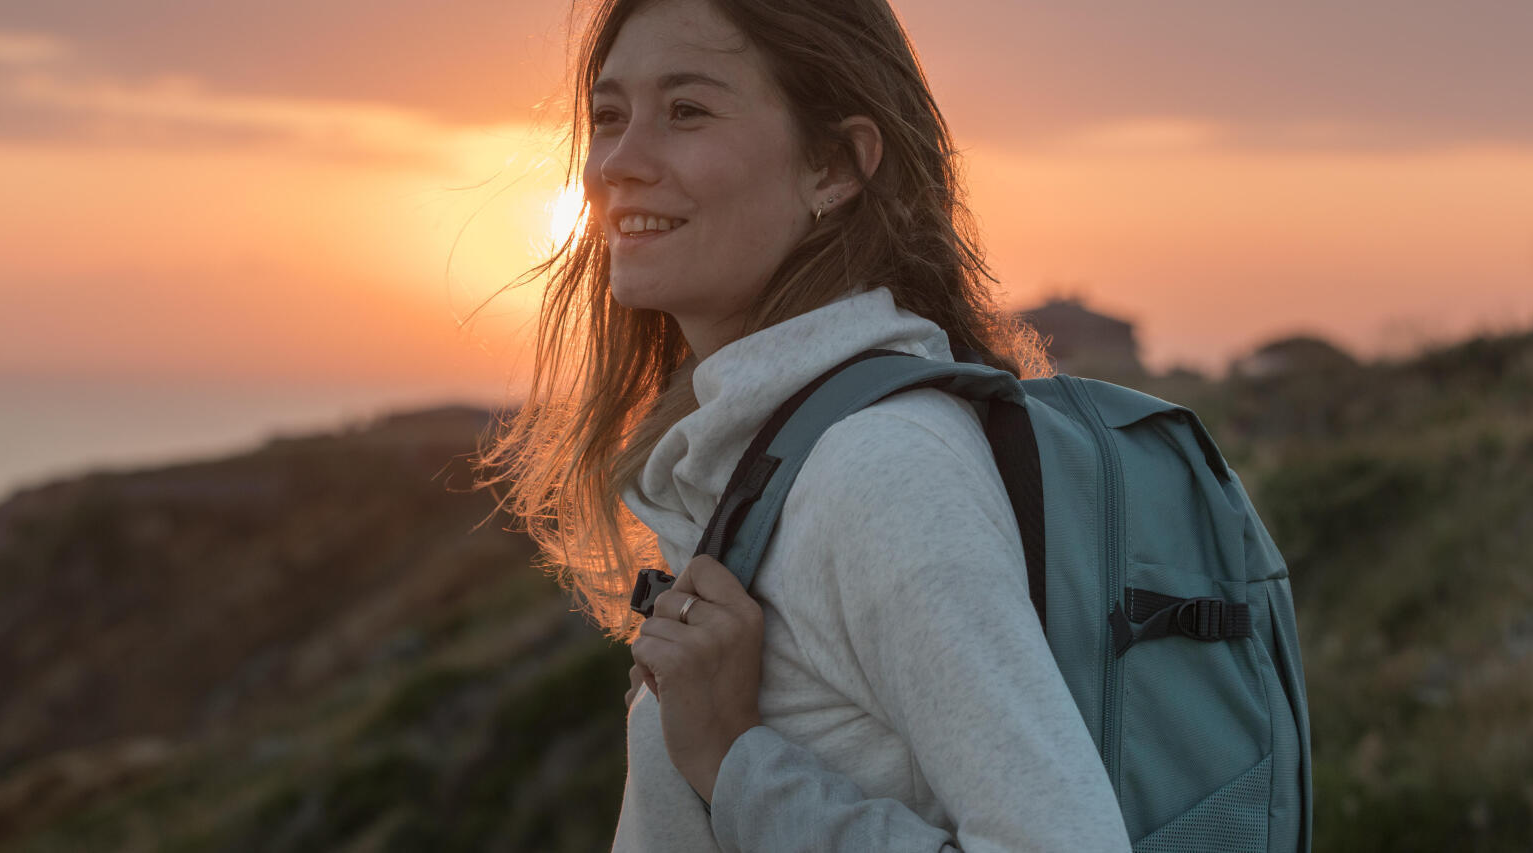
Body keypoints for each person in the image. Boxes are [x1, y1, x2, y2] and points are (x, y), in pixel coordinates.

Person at [481, 0, 1133, 848]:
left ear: (833, 165)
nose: (617, 163)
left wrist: (735, 762)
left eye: (687, 111)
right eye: (609, 116)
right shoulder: (762, 456)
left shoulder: (879, 468)